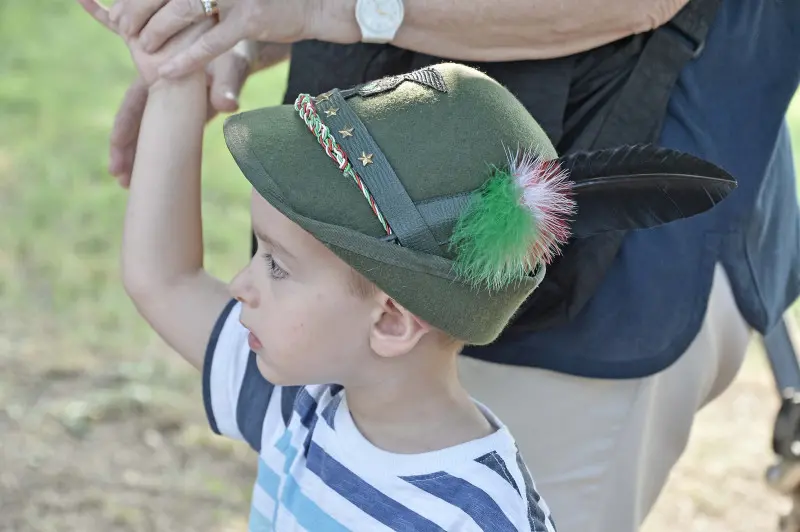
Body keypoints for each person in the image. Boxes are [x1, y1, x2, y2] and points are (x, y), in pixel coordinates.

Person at [83, 0, 800, 530]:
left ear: (392, 319)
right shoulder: (300, 404)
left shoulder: (479, 511)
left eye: (276, 265)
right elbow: (164, 278)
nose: (240, 284)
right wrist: (176, 67)